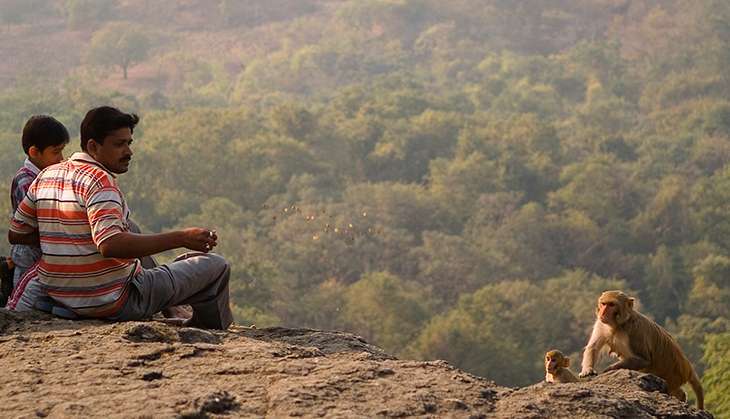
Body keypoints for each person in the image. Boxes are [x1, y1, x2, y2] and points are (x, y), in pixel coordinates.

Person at [9, 106, 233, 329]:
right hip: (114, 300)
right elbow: (110, 245)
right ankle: (207, 330)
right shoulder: (99, 181)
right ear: (93, 146)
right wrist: (181, 237)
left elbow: (17, 233)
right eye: (119, 144)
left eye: (129, 143)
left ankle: (179, 315)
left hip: (62, 296)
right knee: (216, 266)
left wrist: (68, 237)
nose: (128, 151)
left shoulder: (47, 175)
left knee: (132, 229)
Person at [4, 115, 69, 311]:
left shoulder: (45, 176)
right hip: (30, 251)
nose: (61, 158)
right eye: (56, 152)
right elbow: (39, 221)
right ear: (34, 152)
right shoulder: (27, 181)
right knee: (25, 295)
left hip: (43, 247)